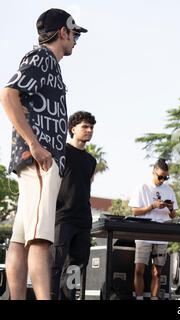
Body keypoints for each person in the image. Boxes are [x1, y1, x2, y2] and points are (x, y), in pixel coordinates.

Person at [0, 8, 87, 300]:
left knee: (20, 239)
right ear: (63, 31)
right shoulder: (42, 58)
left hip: (36, 158)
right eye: (74, 33)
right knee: (40, 240)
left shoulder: (48, 63)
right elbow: (8, 94)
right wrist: (35, 145)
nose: (75, 39)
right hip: (40, 159)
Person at [50, 111, 97, 300]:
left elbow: (87, 186)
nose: (89, 130)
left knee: (76, 266)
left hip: (83, 219)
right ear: (72, 129)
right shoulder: (60, 151)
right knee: (54, 264)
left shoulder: (91, 160)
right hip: (62, 216)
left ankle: (68, 298)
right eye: (85, 126)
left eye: (91, 127)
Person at [129, 159, 177, 300]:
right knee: (139, 270)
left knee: (157, 272)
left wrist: (170, 208)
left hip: (161, 234)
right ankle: (139, 297)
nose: (163, 180)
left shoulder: (169, 190)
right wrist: (152, 206)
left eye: (165, 177)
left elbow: (173, 215)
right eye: (160, 176)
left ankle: (154, 298)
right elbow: (134, 212)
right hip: (144, 233)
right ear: (153, 172)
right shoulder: (142, 187)